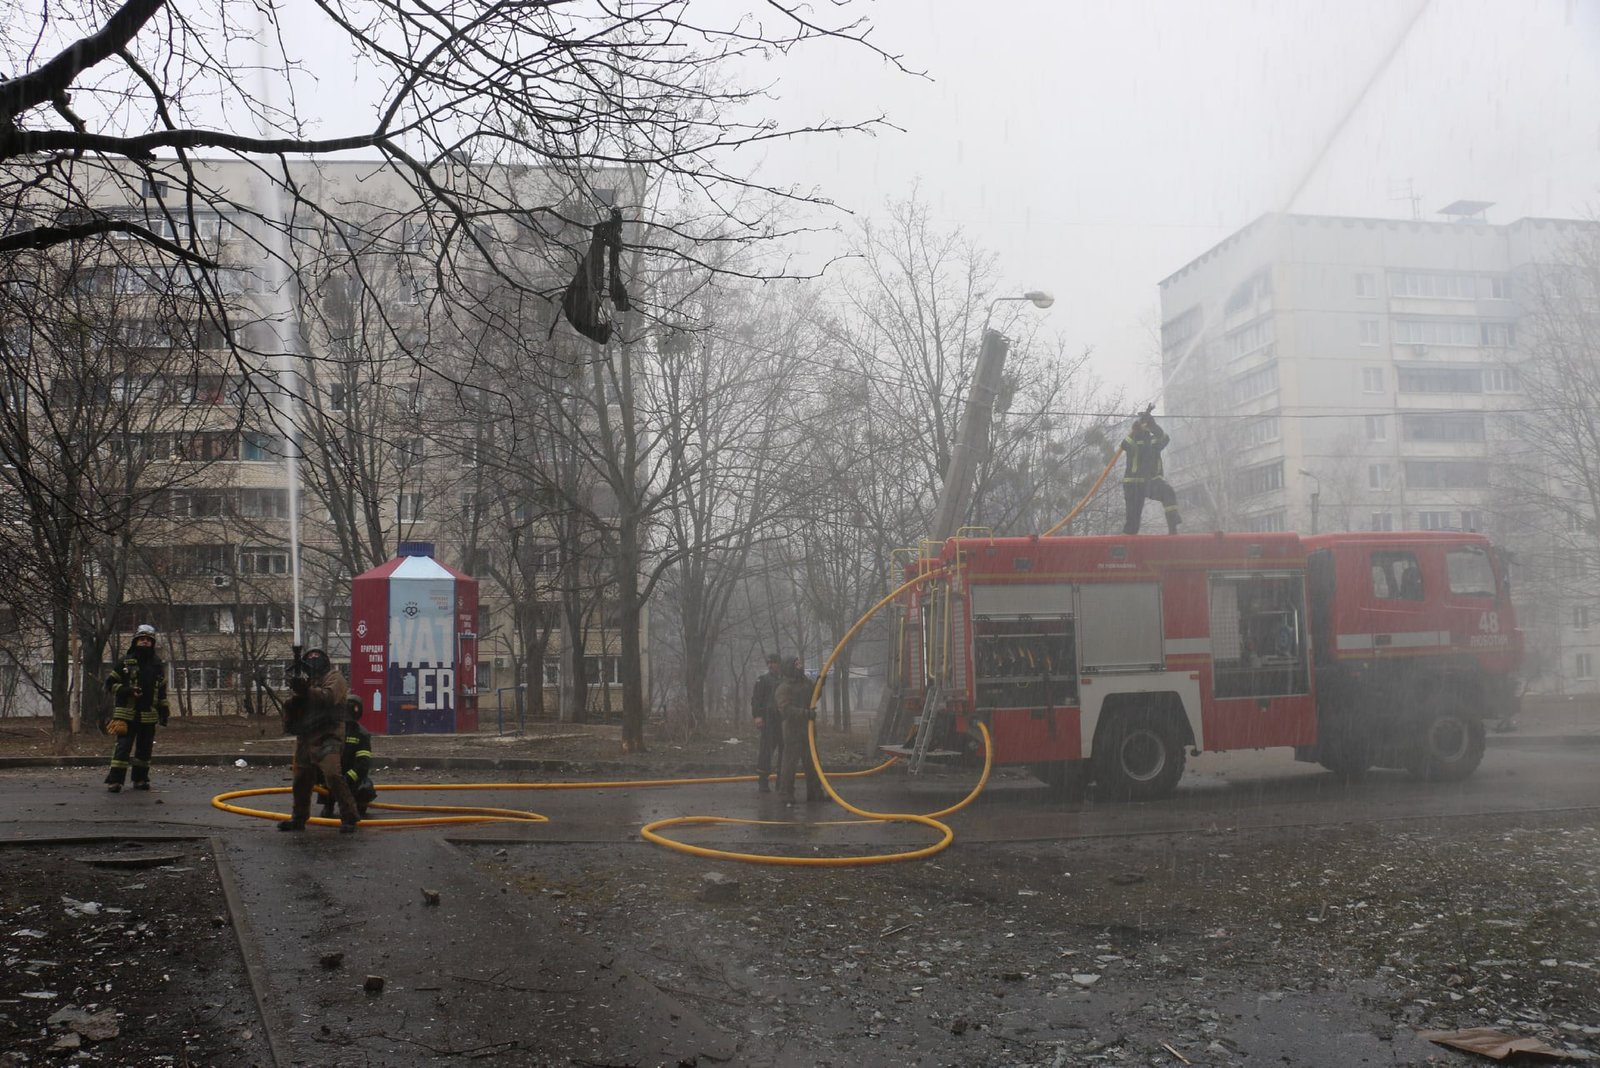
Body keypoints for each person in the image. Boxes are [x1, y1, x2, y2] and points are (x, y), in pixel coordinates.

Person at [279, 648, 360, 833]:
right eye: (310, 659)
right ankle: (298, 819)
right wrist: (291, 708)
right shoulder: (307, 682)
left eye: (317, 658)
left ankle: (349, 817)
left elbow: (328, 697)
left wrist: (306, 690)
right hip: (306, 737)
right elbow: (297, 706)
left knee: (332, 774)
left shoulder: (335, 678)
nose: (314, 661)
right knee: (301, 780)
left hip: (328, 735)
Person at [103, 624, 172, 793]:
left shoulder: (157, 665)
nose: (145, 642)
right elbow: (110, 684)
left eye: (148, 640)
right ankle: (115, 781)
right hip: (126, 713)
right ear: (135, 641)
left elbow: (161, 690)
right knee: (123, 748)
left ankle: (140, 779)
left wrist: (164, 710)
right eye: (142, 639)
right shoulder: (125, 662)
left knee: (144, 748)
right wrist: (127, 690)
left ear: (152, 643)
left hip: (148, 715)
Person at [773, 656, 824, 807]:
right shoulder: (784, 687)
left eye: (800, 663)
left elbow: (815, 695)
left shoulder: (805, 682)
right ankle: (786, 795)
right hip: (793, 732)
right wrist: (805, 713)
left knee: (812, 763)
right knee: (789, 765)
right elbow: (785, 709)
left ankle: (815, 793)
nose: (800, 665)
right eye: (796, 664)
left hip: (808, 730)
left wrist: (821, 680)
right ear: (790, 667)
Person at [1121, 410, 1182, 535]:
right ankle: (1126, 545)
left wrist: (1153, 424)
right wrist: (1135, 431)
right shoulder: (1132, 440)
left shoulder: (1153, 441)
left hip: (1151, 481)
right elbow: (1124, 445)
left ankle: (1173, 528)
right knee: (1133, 521)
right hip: (1134, 484)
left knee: (1167, 492)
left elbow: (1165, 438)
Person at [318, 697, 376, 820]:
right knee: (325, 776)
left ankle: (358, 803)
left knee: (365, 787)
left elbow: (363, 763)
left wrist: (348, 778)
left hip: (352, 778)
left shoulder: (361, 734)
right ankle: (329, 804)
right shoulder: (332, 731)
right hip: (334, 776)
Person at [751, 654, 784, 793]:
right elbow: (756, 699)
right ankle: (763, 782)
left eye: (773, 662)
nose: (770, 665)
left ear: (779, 664)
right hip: (769, 721)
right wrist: (758, 716)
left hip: (783, 721)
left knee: (785, 752)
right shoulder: (763, 680)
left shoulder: (785, 680)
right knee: (766, 752)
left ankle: (781, 781)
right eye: (768, 663)